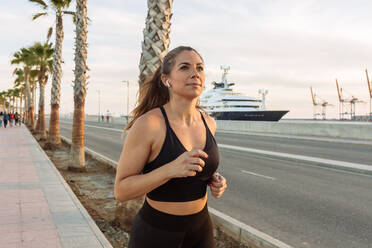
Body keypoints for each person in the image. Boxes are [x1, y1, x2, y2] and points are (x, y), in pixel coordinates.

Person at [114, 46, 227, 248]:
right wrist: (169, 170)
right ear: (167, 80)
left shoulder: (209, 122)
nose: (195, 73)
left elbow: (192, 172)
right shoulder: (150, 124)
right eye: (185, 67)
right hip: (156, 234)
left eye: (200, 68)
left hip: (201, 231)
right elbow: (121, 191)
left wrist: (213, 180)